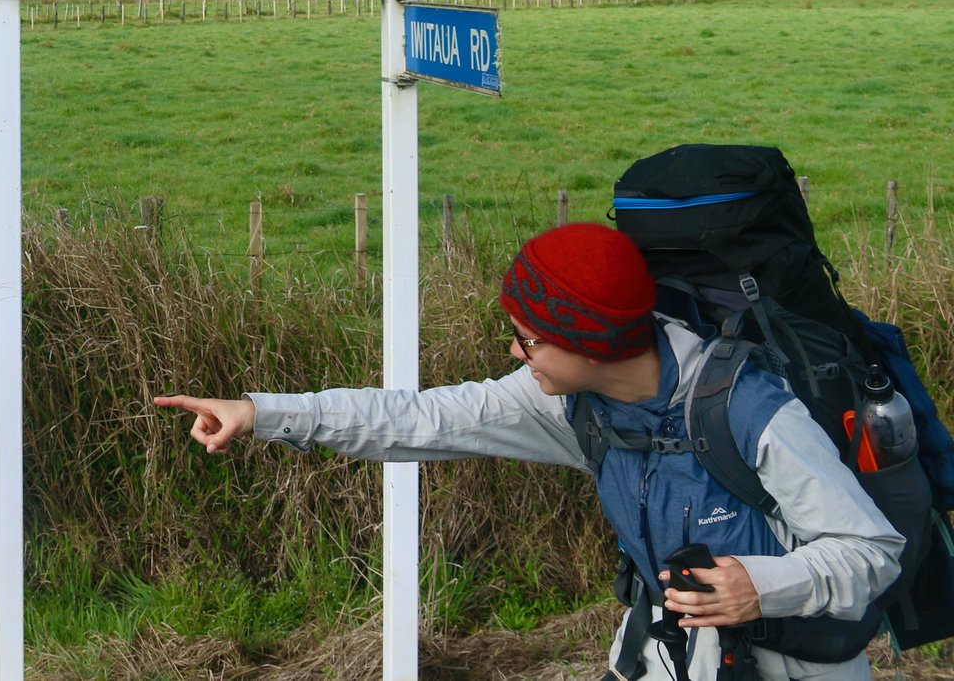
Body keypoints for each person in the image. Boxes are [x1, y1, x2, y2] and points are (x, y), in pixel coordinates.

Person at [156, 223, 904, 681]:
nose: (513, 351)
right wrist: (260, 412)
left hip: (794, 666)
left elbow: (872, 550)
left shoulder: (750, 411)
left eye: (527, 337)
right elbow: (413, 421)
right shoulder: (562, 398)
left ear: (590, 342)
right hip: (668, 653)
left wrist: (759, 586)